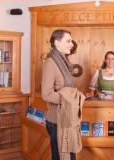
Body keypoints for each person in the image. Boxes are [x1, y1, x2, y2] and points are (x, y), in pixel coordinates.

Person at [42, 29, 83, 160]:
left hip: (66, 120)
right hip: (57, 121)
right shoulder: (50, 63)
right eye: (68, 41)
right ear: (57, 43)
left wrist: (72, 96)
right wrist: (70, 99)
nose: (72, 44)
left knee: (69, 156)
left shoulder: (64, 63)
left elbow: (66, 90)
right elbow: (46, 94)